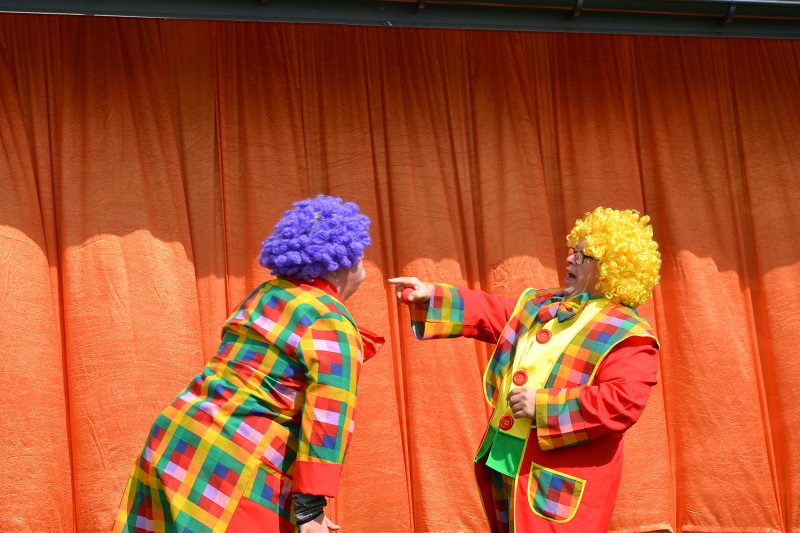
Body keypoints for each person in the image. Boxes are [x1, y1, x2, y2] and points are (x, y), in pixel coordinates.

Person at [113, 195, 384, 533]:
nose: (363, 265)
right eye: (359, 255)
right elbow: (328, 416)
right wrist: (310, 508)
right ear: (340, 262)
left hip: (177, 440)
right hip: (233, 461)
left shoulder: (267, 294)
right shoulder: (331, 320)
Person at [390, 207, 661, 532]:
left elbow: (623, 402)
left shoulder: (629, 333)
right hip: (504, 463)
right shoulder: (543, 303)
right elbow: (492, 311)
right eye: (572, 251)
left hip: (555, 481)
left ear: (609, 269)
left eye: (582, 256)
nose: (570, 259)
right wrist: (431, 296)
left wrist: (543, 406)